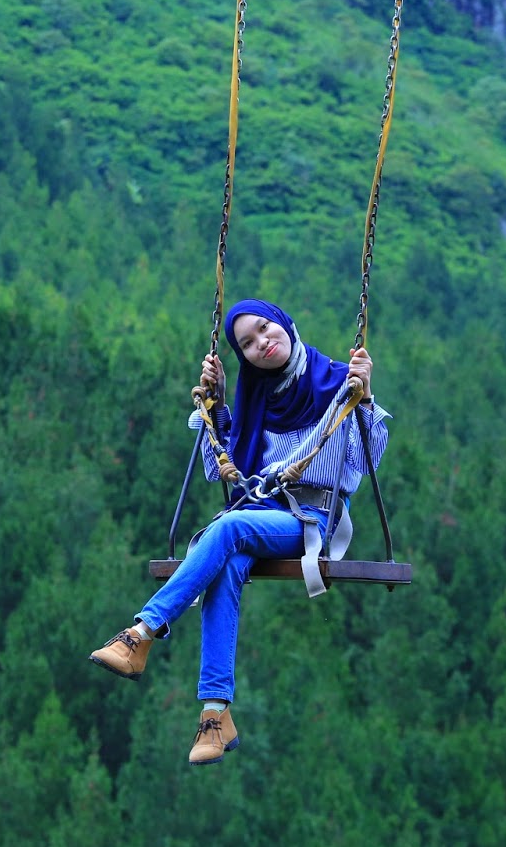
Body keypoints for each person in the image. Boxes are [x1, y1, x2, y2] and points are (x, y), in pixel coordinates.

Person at [87, 298, 390, 765]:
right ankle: (215, 716)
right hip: (254, 518)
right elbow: (219, 470)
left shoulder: (337, 382)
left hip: (309, 520)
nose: (261, 344)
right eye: (247, 343)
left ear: (286, 324)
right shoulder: (255, 397)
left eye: (265, 329)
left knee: (228, 529)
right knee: (225, 564)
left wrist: (364, 397)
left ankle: (142, 632)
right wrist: (218, 404)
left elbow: (362, 463)